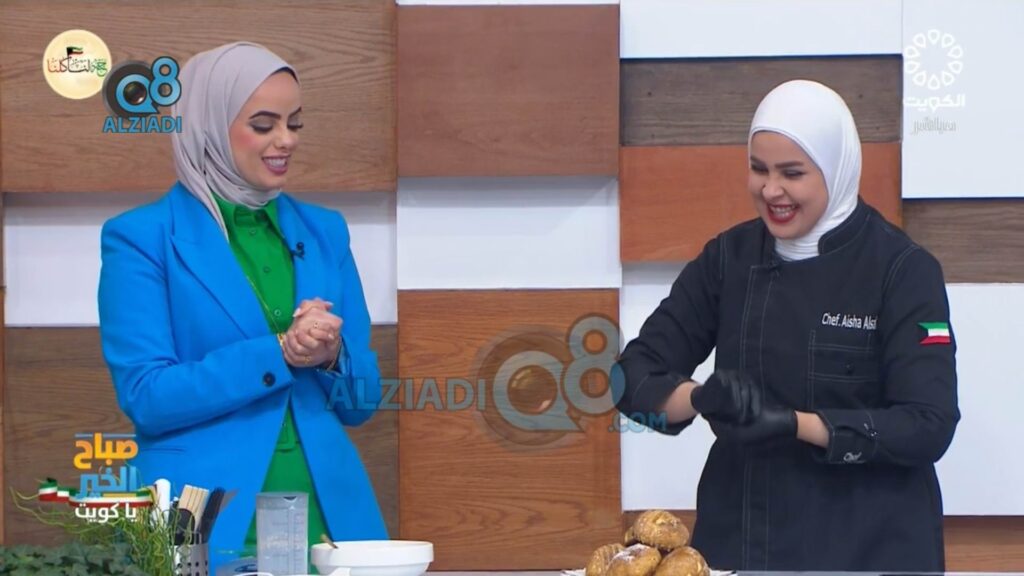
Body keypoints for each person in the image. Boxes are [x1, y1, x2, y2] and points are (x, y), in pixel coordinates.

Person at [615, 79, 959, 572]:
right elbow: (630, 377)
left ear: (837, 169)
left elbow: (928, 426)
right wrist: (700, 397)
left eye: (792, 173)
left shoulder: (903, 270)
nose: (770, 190)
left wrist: (797, 425)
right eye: (758, 169)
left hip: (871, 546)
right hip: (745, 541)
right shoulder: (728, 259)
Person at [97, 42, 387, 570]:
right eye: (263, 124)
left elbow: (362, 402)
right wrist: (279, 353)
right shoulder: (142, 238)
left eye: (294, 124)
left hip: (331, 524)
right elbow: (147, 395)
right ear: (208, 125)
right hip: (207, 518)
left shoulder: (325, 232)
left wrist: (330, 354)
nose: (286, 140)